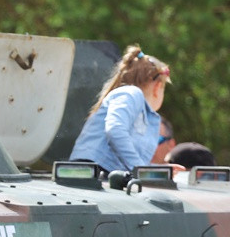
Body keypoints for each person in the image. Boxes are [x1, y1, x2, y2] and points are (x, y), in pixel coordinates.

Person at [69, 45, 171, 173]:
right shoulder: (131, 94)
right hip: (92, 171)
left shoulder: (144, 113)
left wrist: (160, 170)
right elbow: (115, 129)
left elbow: (133, 160)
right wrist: (141, 171)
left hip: (107, 174)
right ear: (158, 87)